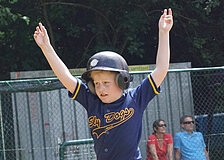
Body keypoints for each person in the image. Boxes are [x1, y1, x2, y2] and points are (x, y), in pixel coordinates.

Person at [34, 8, 173, 160]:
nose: (100, 88)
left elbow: (161, 69)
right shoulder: (92, 100)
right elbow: (66, 77)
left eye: (106, 82)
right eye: (96, 83)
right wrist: (46, 47)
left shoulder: (135, 98)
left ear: (122, 80)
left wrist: (164, 32)